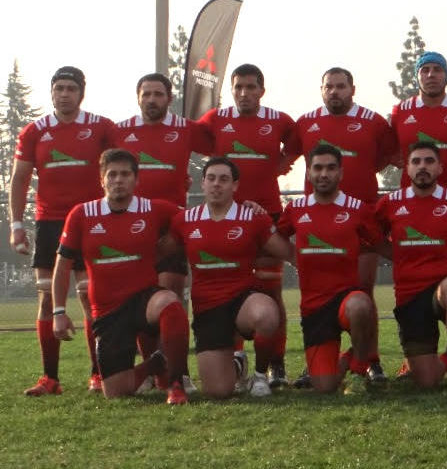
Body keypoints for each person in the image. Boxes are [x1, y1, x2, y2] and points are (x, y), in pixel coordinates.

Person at [50, 149, 190, 404]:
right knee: (115, 391)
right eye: (112, 174)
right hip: (108, 311)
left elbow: (196, 221)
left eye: (125, 174)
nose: (118, 180)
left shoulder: (154, 208)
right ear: (101, 179)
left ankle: (176, 383)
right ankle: (156, 363)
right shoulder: (82, 214)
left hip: (143, 300)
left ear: (136, 180)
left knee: (171, 304)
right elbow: (63, 264)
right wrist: (58, 312)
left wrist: (246, 209)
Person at [10, 66, 114, 395]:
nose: (64, 94)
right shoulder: (34, 131)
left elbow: (120, 170)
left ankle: (97, 374)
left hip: (91, 220)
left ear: (81, 93)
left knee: (89, 297)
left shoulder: (101, 127)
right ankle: (50, 379)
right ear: (51, 92)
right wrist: (16, 226)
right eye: (59, 88)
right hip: (49, 222)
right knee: (45, 296)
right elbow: (20, 179)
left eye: (70, 88)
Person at [198, 63, 299, 387]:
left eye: (251, 87)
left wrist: (283, 164)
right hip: (227, 215)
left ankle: (276, 364)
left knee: (271, 290)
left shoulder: (279, 120)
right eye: (238, 87)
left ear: (262, 90)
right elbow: (193, 144)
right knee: (230, 286)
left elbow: (298, 142)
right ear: (231, 89)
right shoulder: (216, 120)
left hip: (267, 213)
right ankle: (237, 356)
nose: (244, 93)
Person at [295, 67, 397, 382]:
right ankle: (317, 358)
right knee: (316, 290)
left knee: (362, 292)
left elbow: (386, 156)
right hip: (318, 222)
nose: (335, 92)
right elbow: (288, 156)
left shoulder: (373, 121)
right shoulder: (305, 123)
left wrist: (361, 172)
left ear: (353, 89)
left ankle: (370, 359)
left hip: (361, 217)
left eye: (341, 86)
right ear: (321, 90)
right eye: (330, 87)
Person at [166, 157, 291, 399]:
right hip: (208, 308)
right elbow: (158, 253)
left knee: (266, 314)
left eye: (224, 179)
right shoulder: (184, 221)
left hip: (242, 299)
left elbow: (287, 251)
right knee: (217, 392)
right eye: (211, 179)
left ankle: (259, 376)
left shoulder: (252, 217)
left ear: (235, 186)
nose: (216, 184)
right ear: (202, 184)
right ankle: (238, 365)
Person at [374, 142, 447, 395]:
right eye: (416, 162)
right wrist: (397, 256)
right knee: (427, 381)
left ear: (440, 168)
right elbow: (371, 238)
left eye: (429, 161)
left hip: (441, 289)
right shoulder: (390, 203)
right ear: (408, 169)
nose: (422, 166)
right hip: (409, 296)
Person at [277, 144, 383, 394]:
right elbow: (274, 239)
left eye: (331, 168)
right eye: (318, 168)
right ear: (309, 173)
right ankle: (352, 355)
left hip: (346, 298)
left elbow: (380, 244)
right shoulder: (295, 209)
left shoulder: (358, 209)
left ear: (341, 173)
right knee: (324, 387)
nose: (324, 174)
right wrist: (295, 256)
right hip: (314, 307)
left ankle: (358, 371)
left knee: (361, 305)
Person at [113, 72, 212, 299]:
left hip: (171, 222)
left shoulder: (185, 128)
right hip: (129, 222)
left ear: (169, 98)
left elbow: (220, 151)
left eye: (158, 94)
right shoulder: (120, 131)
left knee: (169, 294)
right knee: (132, 296)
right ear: (137, 98)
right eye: (146, 94)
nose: (151, 99)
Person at [388, 51, 447, 193]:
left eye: (437, 70)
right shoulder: (401, 111)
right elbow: (386, 147)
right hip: (411, 199)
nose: (431, 75)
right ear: (417, 77)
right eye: (425, 70)